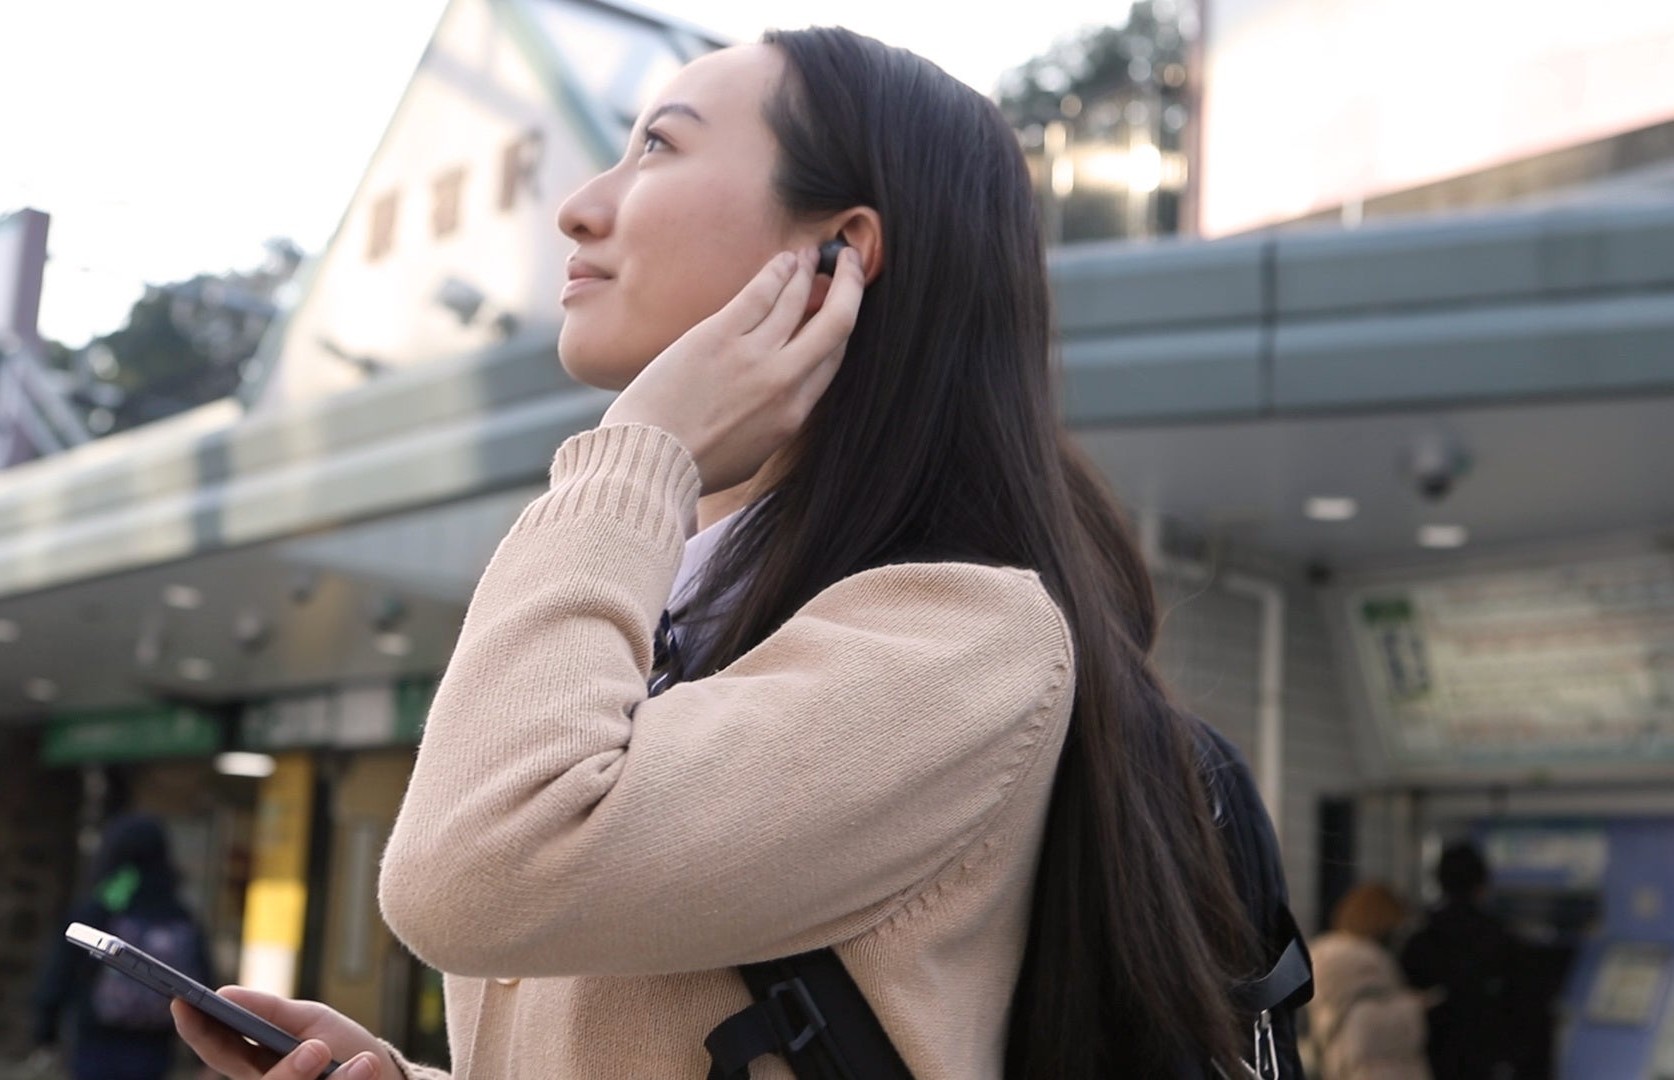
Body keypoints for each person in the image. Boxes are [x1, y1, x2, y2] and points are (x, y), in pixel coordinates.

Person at [176, 26, 1263, 1080]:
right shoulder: (672, 599)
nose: (579, 205)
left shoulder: (965, 637)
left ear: (838, 253)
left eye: (657, 145)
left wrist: (640, 453)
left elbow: (467, 876)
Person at [34, 814, 215, 1080]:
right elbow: (199, 983)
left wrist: (45, 1032)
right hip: (154, 1045)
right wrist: (206, 1055)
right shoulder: (179, 914)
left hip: (97, 1039)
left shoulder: (99, 908)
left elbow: (60, 971)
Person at [1400, 842, 1518, 1080]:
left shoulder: (1421, 936)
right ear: (1481, 883)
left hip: (1430, 1053)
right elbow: (1515, 1002)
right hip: (1482, 1053)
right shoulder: (1497, 936)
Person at [1307, 883, 1431, 1080]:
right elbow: (1374, 1029)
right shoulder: (1366, 961)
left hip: (1340, 1062)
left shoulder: (1323, 954)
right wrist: (1413, 1006)